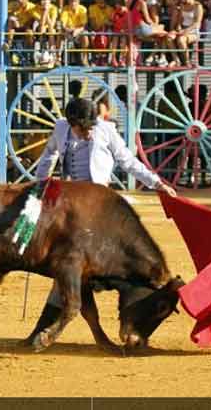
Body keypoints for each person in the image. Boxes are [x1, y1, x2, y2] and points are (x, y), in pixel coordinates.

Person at [24, 97, 176, 345]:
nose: (88, 131)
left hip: (97, 208)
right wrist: (39, 185)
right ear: (72, 123)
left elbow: (127, 161)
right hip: (68, 204)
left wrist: (156, 183)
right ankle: (53, 332)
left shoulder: (106, 130)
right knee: (70, 266)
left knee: (71, 267)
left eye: (90, 126)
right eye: (83, 127)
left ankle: (44, 332)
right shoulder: (61, 128)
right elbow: (49, 155)